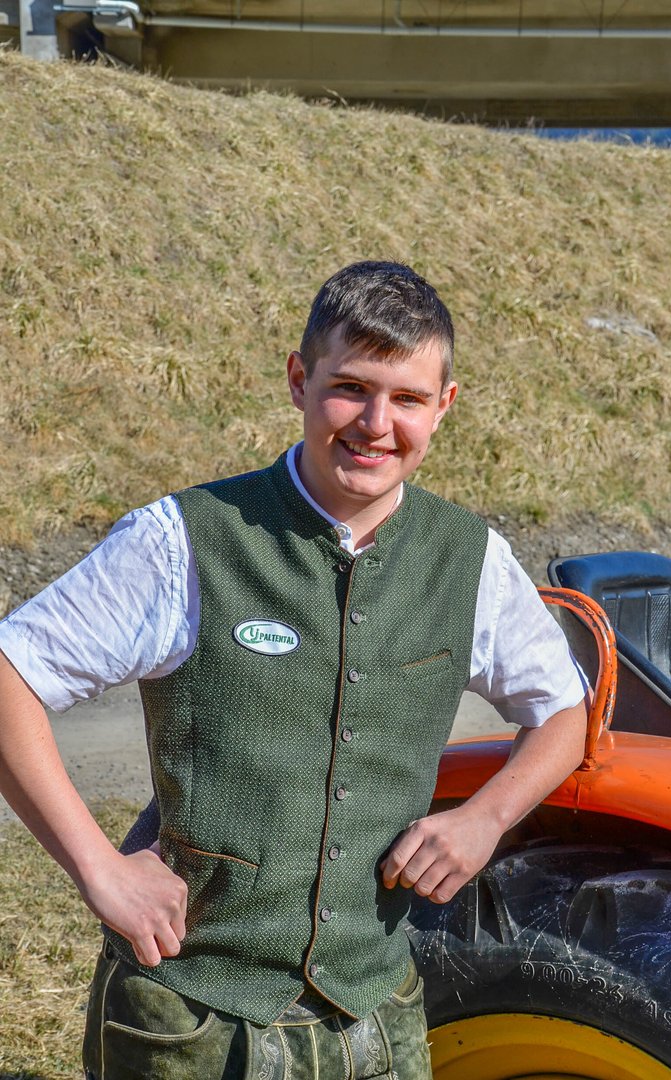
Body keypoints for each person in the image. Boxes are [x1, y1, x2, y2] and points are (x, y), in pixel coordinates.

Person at [0, 261, 588, 1080]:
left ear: (444, 406)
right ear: (298, 380)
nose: (376, 424)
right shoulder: (185, 539)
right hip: (189, 1019)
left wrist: (485, 819)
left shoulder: (471, 559)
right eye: (350, 388)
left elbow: (564, 710)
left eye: (408, 398)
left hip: (376, 1012)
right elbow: (12, 672)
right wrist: (99, 869)